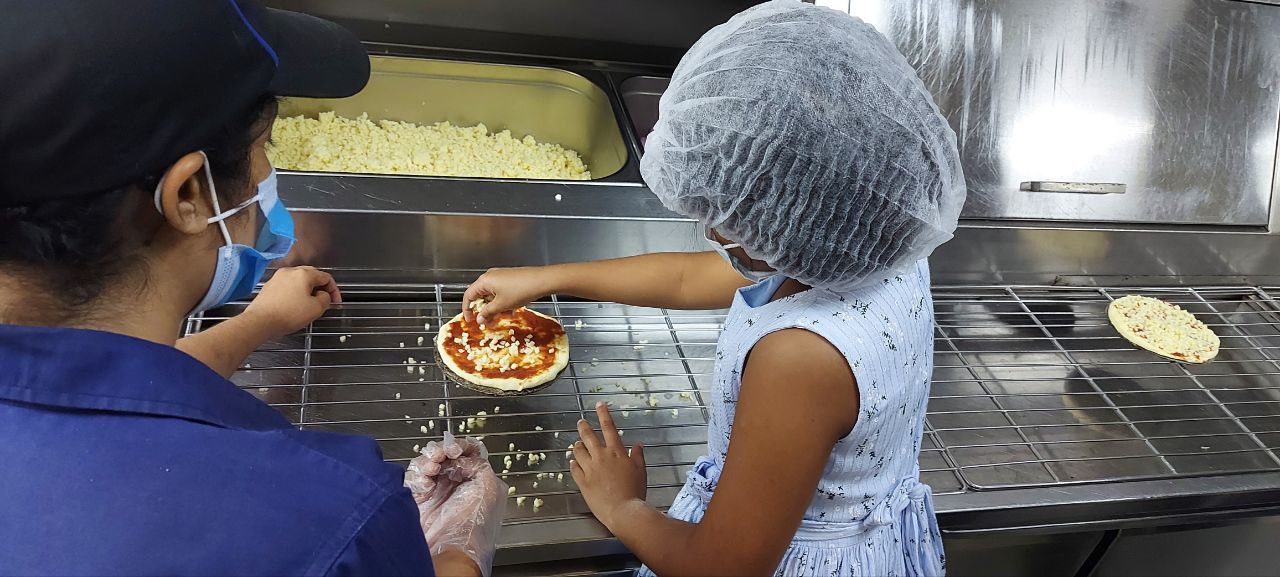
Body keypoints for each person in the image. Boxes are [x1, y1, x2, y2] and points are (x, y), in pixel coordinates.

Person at [462, 1, 965, 575]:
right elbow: (688, 276)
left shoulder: (799, 358)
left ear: (788, 214)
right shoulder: (866, 239)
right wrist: (551, 278)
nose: (710, 224)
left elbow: (724, 565)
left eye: (723, 210)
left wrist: (621, 506)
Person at [0, 1, 502, 575]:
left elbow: (100, 382)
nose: (266, 174)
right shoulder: (332, 513)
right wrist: (463, 544)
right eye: (263, 147)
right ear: (188, 194)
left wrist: (254, 324)